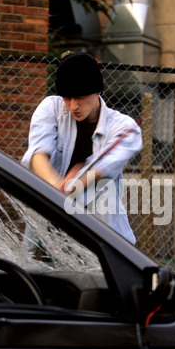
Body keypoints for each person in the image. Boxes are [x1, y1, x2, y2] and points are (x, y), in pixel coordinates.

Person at [21, 51, 142, 244]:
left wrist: (74, 185)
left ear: (97, 91)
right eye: (67, 97)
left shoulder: (123, 126)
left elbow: (104, 166)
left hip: (100, 236)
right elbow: (38, 152)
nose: (73, 105)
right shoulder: (51, 108)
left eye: (80, 97)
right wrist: (54, 185)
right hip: (49, 230)